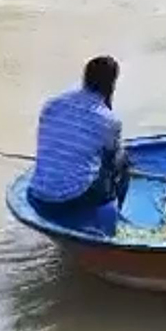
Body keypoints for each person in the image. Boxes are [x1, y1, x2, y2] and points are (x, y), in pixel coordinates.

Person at [28, 57, 129, 235]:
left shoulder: (52, 103)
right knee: (123, 160)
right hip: (73, 197)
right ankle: (111, 215)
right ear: (112, 83)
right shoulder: (109, 120)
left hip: (39, 192)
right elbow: (111, 159)